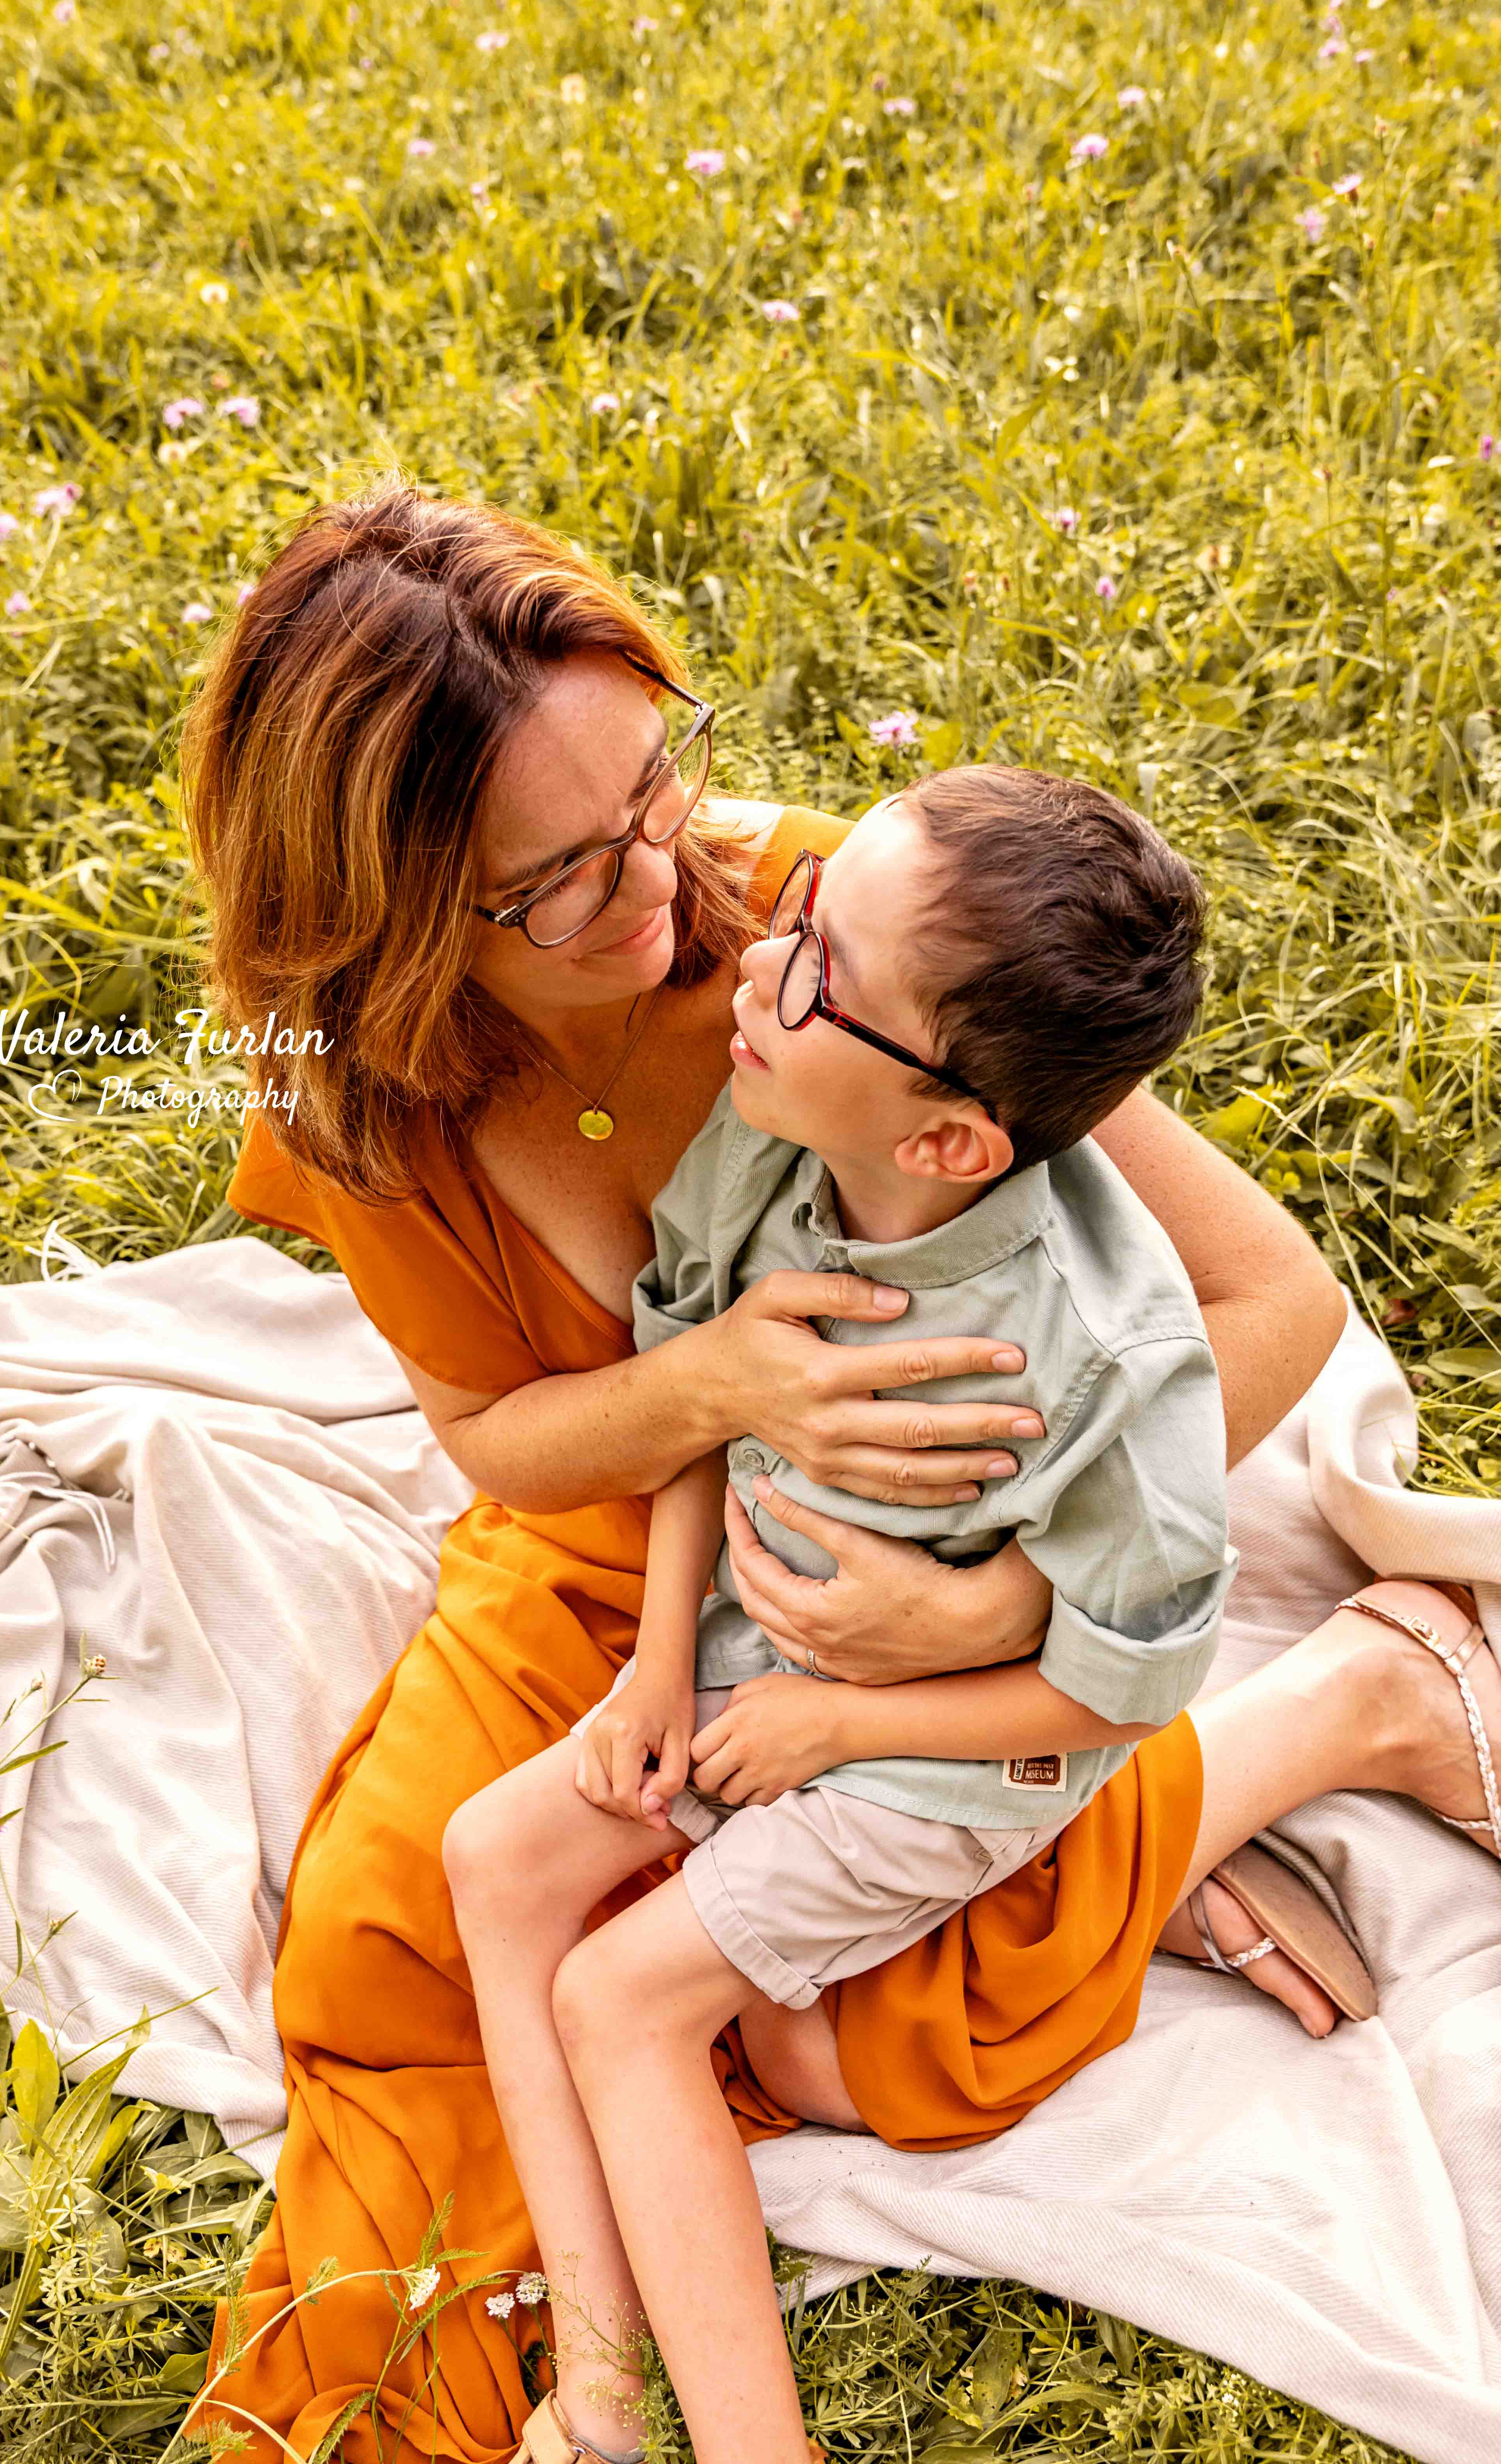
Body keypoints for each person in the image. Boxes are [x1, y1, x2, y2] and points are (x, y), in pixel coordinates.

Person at [178, 477, 1499, 2464]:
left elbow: (1267, 1302)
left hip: (942, 1578)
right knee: (396, 1944)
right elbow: (490, 1440)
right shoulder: (360, 1078)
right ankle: (580, 2387)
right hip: (619, 1561)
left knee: (878, 2035)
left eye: (655, 788)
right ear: (384, 912)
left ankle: (1344, 1706)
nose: (656, 877)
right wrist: (716, 1385)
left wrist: (980, 1609)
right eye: (556, 877)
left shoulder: (833, 949)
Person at [447, 764, 1253, 2464]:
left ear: (950, 1137)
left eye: (822, 968)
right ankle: (597, 2374)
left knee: (624, 1995)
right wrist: (658, 1663)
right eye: (799, 914)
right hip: (750, 1664)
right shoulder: (770, 1141)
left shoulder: (1108, 1361)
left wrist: (848, 1723)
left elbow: (1112, 1696)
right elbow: (692, 1407)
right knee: (492, 1856)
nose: (757, 963)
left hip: (946, 1766)